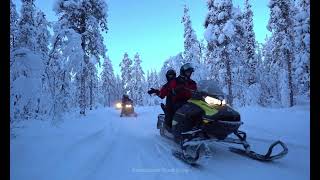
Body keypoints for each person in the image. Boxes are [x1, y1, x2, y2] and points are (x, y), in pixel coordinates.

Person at [148, 63, 197, 131]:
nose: (189, 73)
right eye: (188, 72)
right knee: (183, 109)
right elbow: (163, 92)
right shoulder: (175, 81)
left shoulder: (192, 82)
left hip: (191, 102)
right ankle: (177, 129)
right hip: (177, 102)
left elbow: (197, 90)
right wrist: (156, 91)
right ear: (183, 72)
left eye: (190, 72)